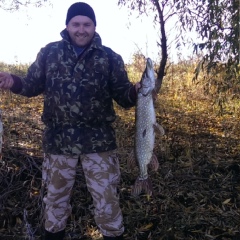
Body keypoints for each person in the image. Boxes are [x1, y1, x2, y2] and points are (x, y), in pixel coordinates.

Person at [0, 2, 140, 240]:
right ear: (67, 25)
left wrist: (139, 91)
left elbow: (123, 96)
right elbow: (32, 85)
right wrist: (13, 81)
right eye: (76, 24)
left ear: (94, 27)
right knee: (54, 202)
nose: (81, 29)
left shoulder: (109, 57)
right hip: (58, 143)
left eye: (87, 24)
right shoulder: (49, 53)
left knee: (107, 201)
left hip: (99, 144)